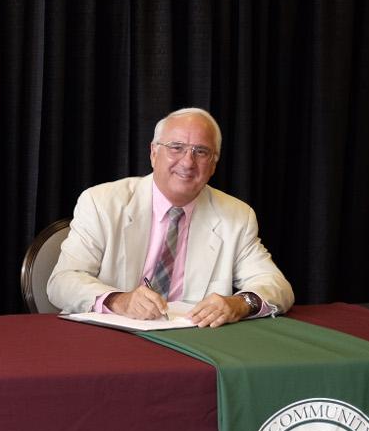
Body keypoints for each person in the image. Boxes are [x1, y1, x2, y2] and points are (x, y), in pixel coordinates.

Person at [47, 107, 293, 327]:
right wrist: (119, 300)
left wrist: (239, 304)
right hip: (114, 339)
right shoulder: (101, 203)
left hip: (197, 345)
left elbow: (277, 286)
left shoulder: (236, 216)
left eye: (201, 151)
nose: (187, 162)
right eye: (176, 148)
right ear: (154, 153)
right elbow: (62, 282)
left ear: (214, 164)